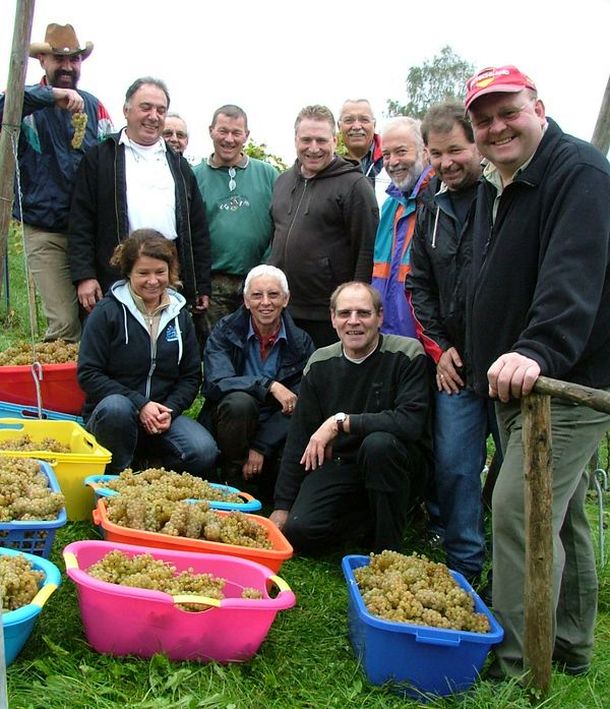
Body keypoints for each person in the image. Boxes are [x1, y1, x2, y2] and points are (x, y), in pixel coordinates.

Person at [465, 65, 610, 680]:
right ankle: (572, 646)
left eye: (509, 112)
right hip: (517, 382)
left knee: (519, 510)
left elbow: (573, 273)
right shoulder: (499, 181)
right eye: (484, 118)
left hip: (561, 383)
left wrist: (540, 348)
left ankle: (518, 661)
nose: (497, 126)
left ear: (539, 108)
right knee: (564, 514)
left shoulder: (577, 173)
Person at [406, 101, 498, 586]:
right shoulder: (431, 204)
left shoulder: (504, 195)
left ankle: (508, 565)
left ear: (477, 145)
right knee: (457, 466)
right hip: (455, 365)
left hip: (508, 363)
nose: (447, 162)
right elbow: (417, 283)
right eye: (437, 153)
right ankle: (463, 567)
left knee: (511, 471)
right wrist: (439, 349)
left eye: (456, 150)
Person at [270, 281, 432, 553]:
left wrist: (340, 422)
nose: (353, 322)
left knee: (378, 444)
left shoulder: (407, 354)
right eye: (345, 313)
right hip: (341, 464)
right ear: (333, 319)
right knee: (300, 532)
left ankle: (387, 547)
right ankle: (366, 523)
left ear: (380, 317)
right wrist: (282, 507)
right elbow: (299, 437)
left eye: (363, 313)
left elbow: (409, 422)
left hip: (396, 462)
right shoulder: (320, 363)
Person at [0, 23, 113, 342]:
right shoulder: (23, 103)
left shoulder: (94, 106)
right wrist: (49, 96)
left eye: (73, 60)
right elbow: (1, 110)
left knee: (98, 320)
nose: (67, 67)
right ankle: (56, 389)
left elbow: (110, 155)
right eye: (58, 59)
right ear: (42, 62)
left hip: (90, 233)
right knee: (64, 324)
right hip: (46, 229)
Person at [77, 229, 218, 475]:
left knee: (203, 451)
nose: (153, 281)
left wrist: (170, 410)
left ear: (170, 272)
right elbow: (89, 373)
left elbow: (191, 376)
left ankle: (150, 469)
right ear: (128, 273)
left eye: (160, 272)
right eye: (143, 273)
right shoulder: (106, 313)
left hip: (162, 416)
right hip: (115, 414)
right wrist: (140, 405)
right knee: (116, 410)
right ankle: (113, 476)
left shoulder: (180, 316)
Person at [69, 76, 211, 320]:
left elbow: (197, 229)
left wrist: (201, 284)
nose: (153, 116)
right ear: (126, 110)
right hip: (115, 274)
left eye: (160, 110)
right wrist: (85, 276)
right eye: (146, 107)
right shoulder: (100, 159)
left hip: (167, 276)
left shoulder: (179, 165)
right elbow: (81, 221)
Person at [199, 264, 315, 498]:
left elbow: (300, 403)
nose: (265, 302)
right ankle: (232, 476)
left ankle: (261, 483)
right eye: (257, 295)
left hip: (274, 427)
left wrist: (261, 446)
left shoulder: (301, 342)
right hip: (229, 421)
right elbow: (216, 383)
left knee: (280, 474)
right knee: (240, 402)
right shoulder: (225, 330)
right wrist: (268, 385)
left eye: (273, 295)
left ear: (286, 299)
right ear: (246, 300)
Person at [269, 105, 379, 348]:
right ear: (295, 139)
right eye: (306, 140)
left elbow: (366, 249)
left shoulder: (354, 185)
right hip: (285, 309)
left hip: (329, 314)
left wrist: (355, 308)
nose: (314, 148)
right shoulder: (282, 182)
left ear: (335, 140)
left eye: (321, 140)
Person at [193, 105, 279, 329]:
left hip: (259, 283)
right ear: (211, 131)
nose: (229, 139)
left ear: (246, 135)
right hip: (214, 285)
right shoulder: (194, 177)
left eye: (236, 133)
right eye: (223, 131)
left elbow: (282, 223)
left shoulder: (268, 174)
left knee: (256, 349)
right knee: (217, 350)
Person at [372, 117, 432, 337]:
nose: (392, 161)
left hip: (426, 342)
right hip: (387, 336)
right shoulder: (390, 204)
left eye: (401, 152)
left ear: (425, 151)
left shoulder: (437, 200)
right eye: (386, 154)